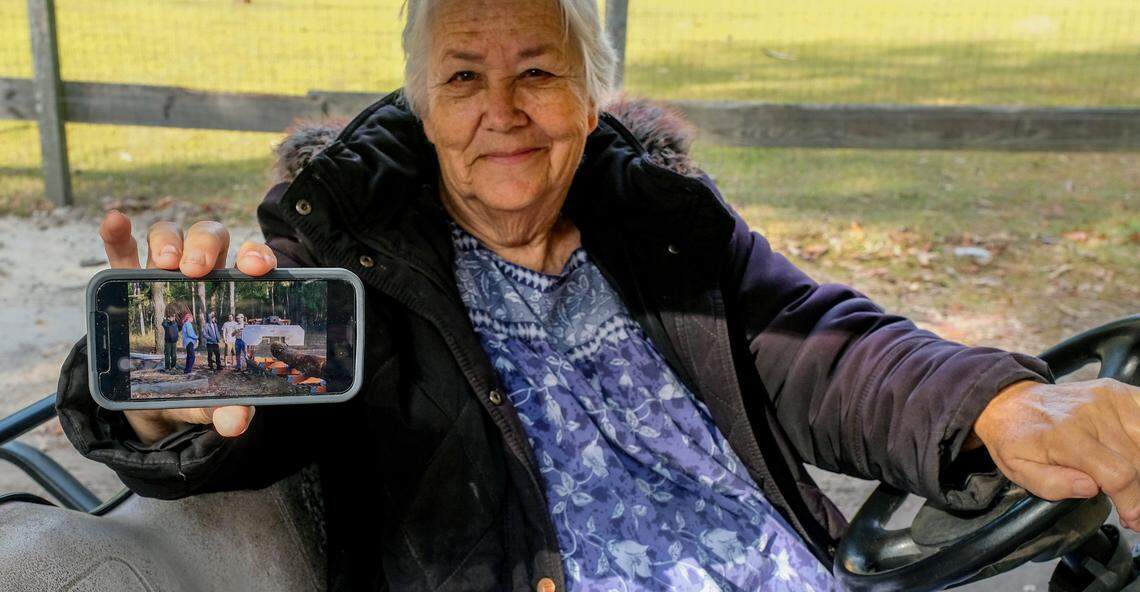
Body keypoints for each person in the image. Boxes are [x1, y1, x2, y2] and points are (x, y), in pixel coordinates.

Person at [55, 0, 1140, 590]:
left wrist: (1002, 405)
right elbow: (226, 424)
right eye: (464, 78)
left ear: (592, 92)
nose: (503, 111)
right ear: (422, 105)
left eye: (538, 71)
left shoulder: (664, 225)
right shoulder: (359, 262)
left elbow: (823, 342)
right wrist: (154, 404)